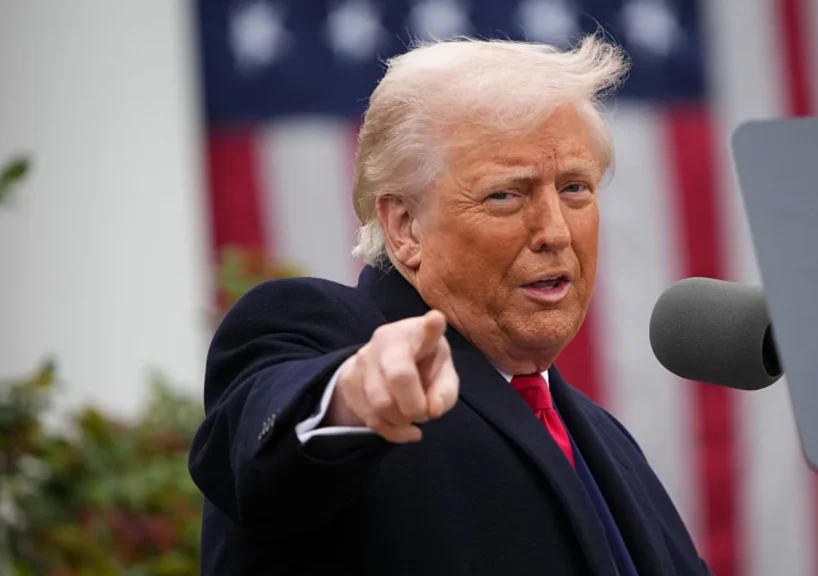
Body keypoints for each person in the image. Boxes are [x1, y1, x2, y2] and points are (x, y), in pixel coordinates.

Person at [188, 35, 712, 576]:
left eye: (575, 188)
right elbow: (259, 449)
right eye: (506, 194)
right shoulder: (330, 342)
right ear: (404, 226)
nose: (555, 232)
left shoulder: (608, 442)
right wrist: (349, 400)